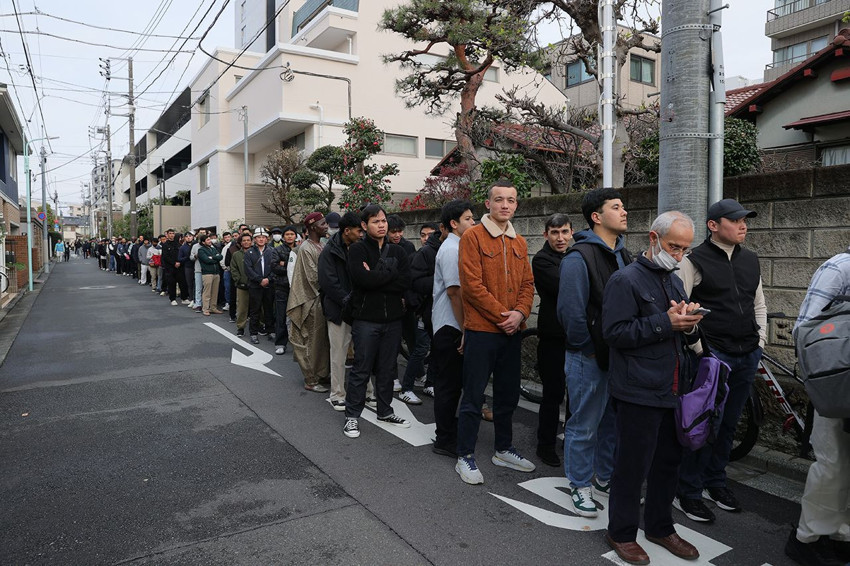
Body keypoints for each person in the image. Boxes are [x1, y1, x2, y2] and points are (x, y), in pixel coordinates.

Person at [602, 211, 703, 565]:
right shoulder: (624, 279)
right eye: (674, 246)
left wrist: (688, 325)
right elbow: (614, 333)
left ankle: (660, 526)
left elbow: (682, 330)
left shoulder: (673, 279)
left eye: (685, 250)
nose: (678, 255)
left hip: (673, 387)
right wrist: (666, 323)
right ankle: (621, 532)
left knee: (668, 463)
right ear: (653, 238)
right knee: (632, 466)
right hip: (637, 389)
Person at [674, 198, 766, 523]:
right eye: (736, 220)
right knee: (704, 424)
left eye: (745, 220)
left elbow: (758, 304)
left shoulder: (751, 260)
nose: (743, 225)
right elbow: (682, 308)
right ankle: (688, 491)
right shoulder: (694, 260)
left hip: (747, 353)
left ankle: (716, 482)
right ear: (714, 225)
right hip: (714, 356)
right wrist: (701, 351)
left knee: (730, 423)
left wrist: (761, 340)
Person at [455, 179, 536, 485]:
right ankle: (465, 455)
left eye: (511, 200)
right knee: (474, 395)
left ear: (516, 205)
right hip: (482, 330)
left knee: (507, 394)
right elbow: (471, 286)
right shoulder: (473, 237)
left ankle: (503, 448)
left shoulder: (519, 242)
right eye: (499, 199)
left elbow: (528, 284)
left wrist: (520, 314)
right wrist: (506, 315)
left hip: (511, 330)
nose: (505, 205)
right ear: (487, 204)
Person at [556, 187, 630, 516]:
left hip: (618, 355)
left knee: (611, 422)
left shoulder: (623, 254)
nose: (624, 211)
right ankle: (580, 484)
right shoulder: (578, 257)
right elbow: (570, 314)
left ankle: (604, 477)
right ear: (597, 217)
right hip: (588, 357)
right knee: (584, 424)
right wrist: (586, 349)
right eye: (616, 207)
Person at [785, 247, 850, 566]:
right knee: (832, 463)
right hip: (837, 384)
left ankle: (840, 534)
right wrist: (821, 384)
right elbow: (806, 329)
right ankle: (805, 538)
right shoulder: (840, 267)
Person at [342, 204, 412, 439]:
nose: (382, 225)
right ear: (364, 225)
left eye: (383, 221)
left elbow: (404, 282)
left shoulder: (398, 252)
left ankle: (385, 410)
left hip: (393, 319)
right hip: (366, 320)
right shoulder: (357, 250)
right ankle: (352, 415)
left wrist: (376, 276)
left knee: (387, 368)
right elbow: (362, 281)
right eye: (376, 222)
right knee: (361, 368)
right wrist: (387, 276)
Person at [431, 200, 476, 457]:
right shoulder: (451, 250)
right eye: (468, 218)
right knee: (448, 385)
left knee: (453, 383)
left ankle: (449, 430)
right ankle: (444, 439)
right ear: (454, 223)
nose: (474, 222)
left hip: (454, 324)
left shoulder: (460, 246)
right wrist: (465, 329)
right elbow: (454, 293)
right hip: (451, 326)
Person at [319, 212, 371, 411]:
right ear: (346, 231)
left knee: (363, 354)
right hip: (338, 310)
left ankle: (367, 392)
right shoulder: (329, 251)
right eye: (359, 231)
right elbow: (328, 283)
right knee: (339, 354)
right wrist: (348, 301)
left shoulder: (362, 247)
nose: (361, 234)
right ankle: (337, 393)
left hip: (360, 309)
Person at [532, 213, 573, 467]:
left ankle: (572, 439)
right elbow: (567, 286)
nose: (560, 238)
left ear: (571, 232)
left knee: (577, 395)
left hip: (577, 335)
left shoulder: (576, 254)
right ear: (546, 234)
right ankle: (545, 445)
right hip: (552, 336)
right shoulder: (541, 260)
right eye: (555, 233)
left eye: (565, 232)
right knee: (553, 394)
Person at [400, 221, 443, 402]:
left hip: (438, 310)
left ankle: (430, 384)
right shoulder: (424, 253)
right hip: (423, 310)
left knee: (436, 349)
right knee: (421, 348)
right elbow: (413, 283)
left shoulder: (445, 249)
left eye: (430, 234)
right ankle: (406, 388)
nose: (426, 239)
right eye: (423, 235)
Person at [288, 213, 331, 391]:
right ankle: (310, 379)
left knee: (321, 341)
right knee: (310, 340)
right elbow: (314, 277)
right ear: (312, 227)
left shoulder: (320, 245)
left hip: (320, 298)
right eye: (323, 223)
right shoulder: (306, 248)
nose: (326, 225)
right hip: (310, 300)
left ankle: (321, 374)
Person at [243, 227, 276, 344]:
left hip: (269, 284)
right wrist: (259, 279)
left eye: (263, 237)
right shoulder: (249, 253)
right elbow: (248, 269)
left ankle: (271, 330)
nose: (261, 239)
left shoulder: (272, 251)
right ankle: (253, 333)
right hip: (255, 285)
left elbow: (275, 267)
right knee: (255, 310)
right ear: (254, 239)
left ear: (267, 239)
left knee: (269, 309)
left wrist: (268, 279)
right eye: (258, 237)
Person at [229, 233, 254, 337]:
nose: (246, 242)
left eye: (248, 240)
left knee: (257, 308)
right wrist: (238, 280)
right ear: (240, 243)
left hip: (255, 285)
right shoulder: (236, 255)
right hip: (242, 285)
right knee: (242, 308)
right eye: (244, 240)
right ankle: (240, 327)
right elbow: (233, 269)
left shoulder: (256, 253)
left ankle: (259, 326)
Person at [161, 229, 180, 305]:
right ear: (167, 235)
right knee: (171, 283)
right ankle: (172, 299)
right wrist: (173, 263)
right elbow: (165, 257)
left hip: (179, 266)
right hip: (169, 267)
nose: (172, 235)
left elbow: (180, 254)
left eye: (173, 233)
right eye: (170, 233)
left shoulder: (178, 244)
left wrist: (179, 262)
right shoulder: (165, 245)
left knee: (181, 282)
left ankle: (184, 297)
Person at [178, 231, 196, 306]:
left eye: (190, 236)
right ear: (184, 238)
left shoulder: (196, 245)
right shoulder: (182, 247)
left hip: (197, 266)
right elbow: (179, 258)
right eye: (187, 236)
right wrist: (187, 257)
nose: (188, 237)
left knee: (197, 284)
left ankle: (197, 299)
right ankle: (191, 298)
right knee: (190, 284)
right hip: (188, 267)